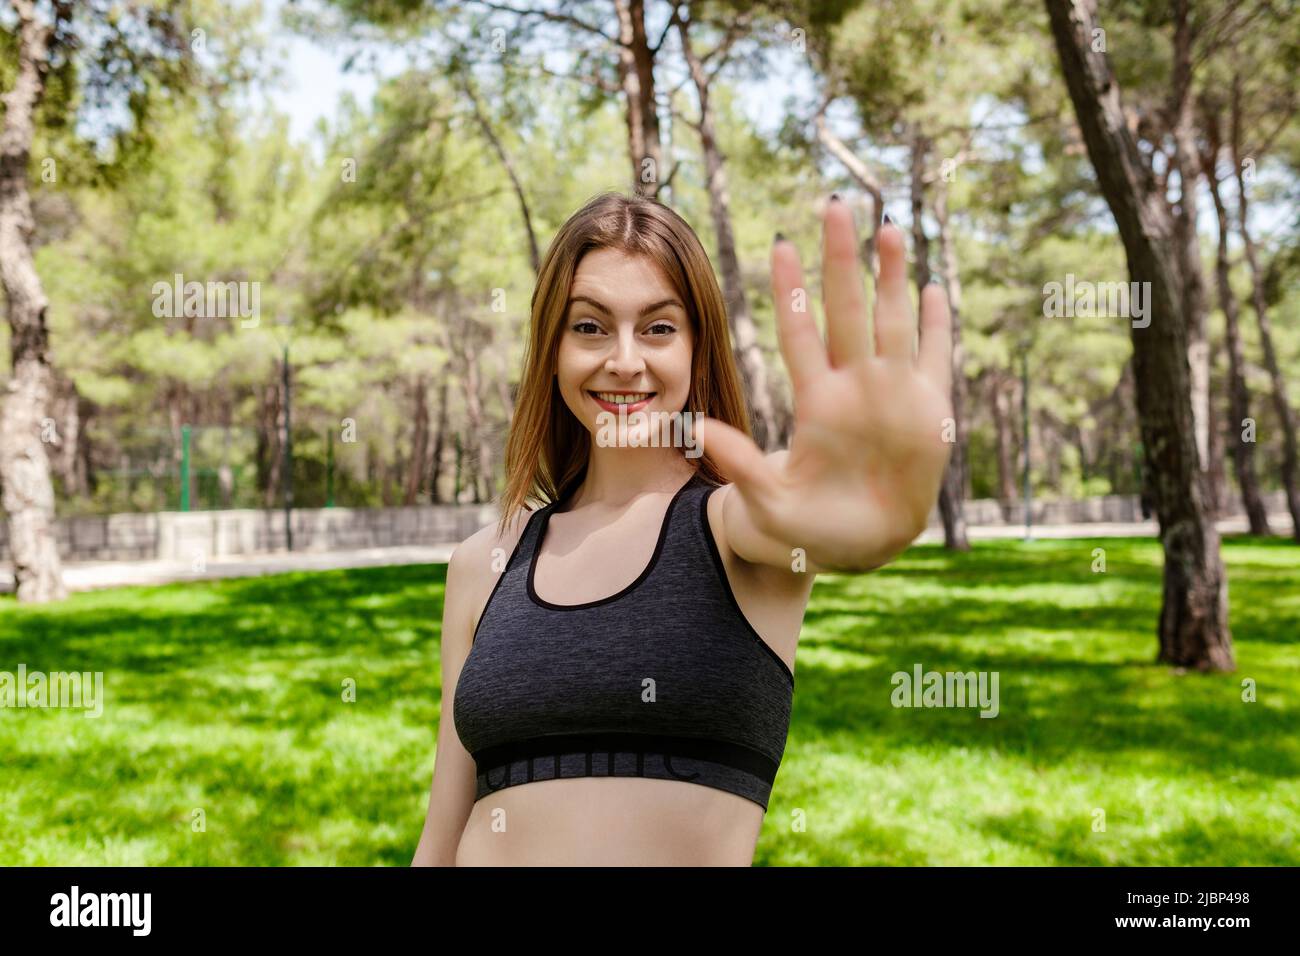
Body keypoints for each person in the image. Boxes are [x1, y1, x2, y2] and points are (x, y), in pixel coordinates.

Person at [411, 191, 953, 866]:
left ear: (698, 349)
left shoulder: (736, 531)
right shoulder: (482, 562)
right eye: (590, 327)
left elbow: (809, 523)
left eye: (660, 328)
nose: (625, 360)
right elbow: (440, 836)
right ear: (551, 347)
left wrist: (871, 515)